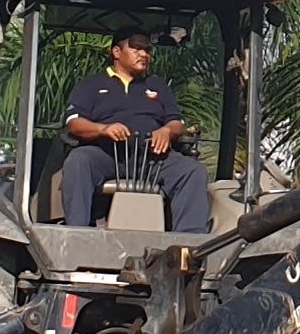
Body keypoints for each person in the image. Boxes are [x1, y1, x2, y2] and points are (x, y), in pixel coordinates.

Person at [56, 29, 211, 232]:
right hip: (107, 155)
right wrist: (104, 129)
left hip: (153, 158)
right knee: (78, 160)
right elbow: (74, 124)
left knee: (193, 171)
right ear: (117, 52)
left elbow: (177, 123)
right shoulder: (91, 85)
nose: (144, 54)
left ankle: (188, 245)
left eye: (147, 50)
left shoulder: (157, 86)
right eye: (137, 48)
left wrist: (166, 131)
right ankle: (76, 234)